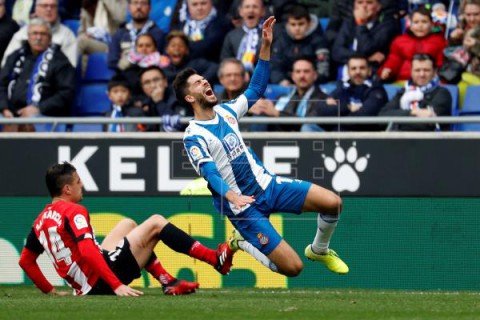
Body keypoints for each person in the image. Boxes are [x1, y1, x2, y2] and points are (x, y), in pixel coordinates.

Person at [173, 16, 349, 277]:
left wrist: (265, 46)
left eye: (204, 79)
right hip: (243, 207)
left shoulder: (227, 111)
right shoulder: (193, 136)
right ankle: (240, 242)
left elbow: (256, 88)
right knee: (293, 268)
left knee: (333, 203)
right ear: (190, 97)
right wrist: (233, 197)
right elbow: (210, 174)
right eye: (198, 83)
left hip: (268, 186)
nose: (206, 82)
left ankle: (319, 249)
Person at [18, 162, 235, 296]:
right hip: (102, 281)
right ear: (67, 189)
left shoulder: (40, 221)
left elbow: (25, 261)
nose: (81, 184)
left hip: (86, 282)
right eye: (77, 181)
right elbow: (86, 251)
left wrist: (50, 291)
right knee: (157, 222)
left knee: (127, 225)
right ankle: (215, 259)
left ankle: (168, 281)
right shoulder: (73, 211)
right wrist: (116, 286)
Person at [0, 17, 75, 132]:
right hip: (9, 113)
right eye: (35, 33)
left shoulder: (60, 61)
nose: (38, 38)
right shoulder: (14, 57)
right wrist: (4, 108)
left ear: (50, 39)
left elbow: (66, 94)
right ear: (28, 37)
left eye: (43, 34)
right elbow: (1, 85)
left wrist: (38, 108)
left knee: (29, 124)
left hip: (43, 115)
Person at [254, 57, 335, 132]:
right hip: (284, 138)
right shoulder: (283, 97)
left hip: (309, 142)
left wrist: (277, 113)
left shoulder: (323, 99)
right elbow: (271, 112)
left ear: (315, 75)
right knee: (260, 116)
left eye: (306, 71)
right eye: (298, 71)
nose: (302, 75)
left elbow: (307, 123)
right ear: (292, 76)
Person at [379, 53, 452, 131]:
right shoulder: (403, 92)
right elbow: (382, 117)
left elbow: (425, 125)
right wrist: (414, 112)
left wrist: (397, 121)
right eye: (417, 70)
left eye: (426, 70)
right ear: (411, 72)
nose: (422, 74)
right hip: (399, 140)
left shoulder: (442, 93)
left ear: (434, 72)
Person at [331, 0, 399, 80]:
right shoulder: (349, 22)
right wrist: (366, 58)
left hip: (373, 74)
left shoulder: (388, 24)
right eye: (360, 2)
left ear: (378, 7)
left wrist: (361, 24)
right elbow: (337, 52)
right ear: (354, 6)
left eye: (369, 2)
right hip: (347, 71)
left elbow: (366, 48)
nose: (364, 6)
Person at [378, 6, 447, 82]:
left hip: (430, 81)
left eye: (424, 22)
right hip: (404, 80)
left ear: (432, 25)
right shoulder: (400, 41)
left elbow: (440, 64)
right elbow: (394, 60)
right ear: (410, 25)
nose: (420, 26)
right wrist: (388, 70)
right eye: (416, 22)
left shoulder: (439, 41)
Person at [2, 0, 77, 67]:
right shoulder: (22, 34)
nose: (49, 9)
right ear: (36, 9)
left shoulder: (67, 35)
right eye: (44, 6)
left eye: (53, 6)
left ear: (57, 9)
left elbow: (70, 68)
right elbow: (6, 65)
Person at [270, 4, 330, 85]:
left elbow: (323, 71)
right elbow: (275, 66)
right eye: (293, 24)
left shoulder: (320, 41)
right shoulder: (282, 40)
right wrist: (281, 80)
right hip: (287, 85)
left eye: (301, 24)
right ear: (287, 25)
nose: (297, 28)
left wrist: (305, 83)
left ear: (309, 24)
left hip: (312, 85)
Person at [329, 53, 388, 131]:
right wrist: (348, 107)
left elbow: (364, 117)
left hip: (366, 138)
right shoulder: (342, 87)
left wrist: (334, 118)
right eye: (353, 68)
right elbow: (322, 109)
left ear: (369, 71)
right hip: (340, 134)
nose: (358, 72)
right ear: (348, 71)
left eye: (362, 68)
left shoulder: (376, 90)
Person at [108, 0, 165, 71]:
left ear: (150, 8)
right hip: (124, 75)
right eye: (135, 3)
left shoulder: (158, 34)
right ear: (129, 7)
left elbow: (162, 59)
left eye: (143, 3)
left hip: (149, 75)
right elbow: (112, 61)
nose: (139, 7)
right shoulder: (119, 33)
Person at [220, 0, 266, 73]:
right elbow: (225, 62)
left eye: (255, 7)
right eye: (247, 7)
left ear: (263, 11)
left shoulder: (271, 33)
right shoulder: (231, 36)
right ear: (240, 11)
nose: (251, 10)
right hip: (236, 78)